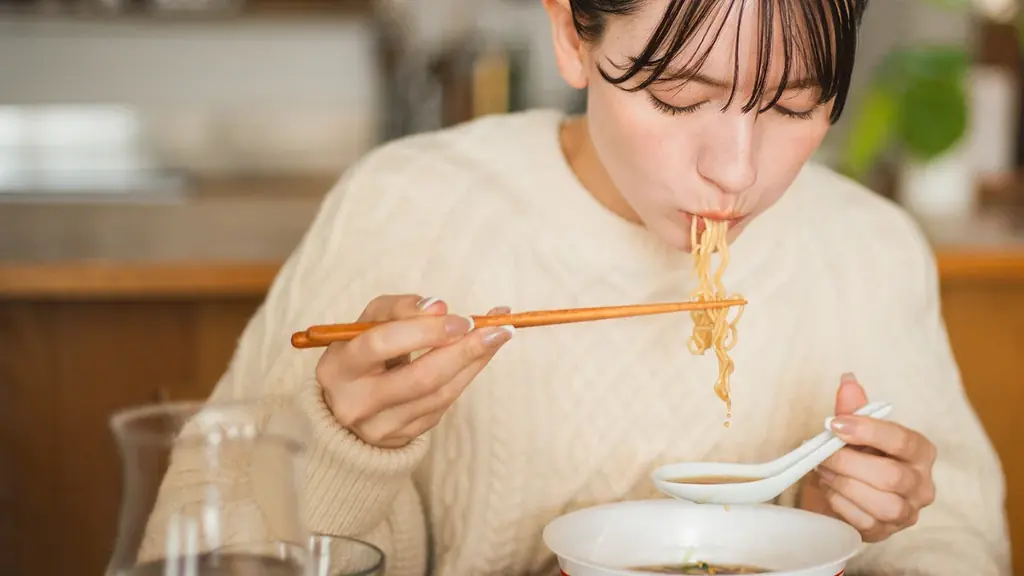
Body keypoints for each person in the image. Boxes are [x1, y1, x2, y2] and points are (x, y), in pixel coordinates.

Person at [145, 0, 1011, 574]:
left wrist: (834, 530)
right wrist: (343, 447)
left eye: (793, 105)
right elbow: (201, 548)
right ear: (572, 35)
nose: (736, 171)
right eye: (678, 96)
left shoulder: (869, 246)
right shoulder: (406, 205)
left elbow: (955, 548)